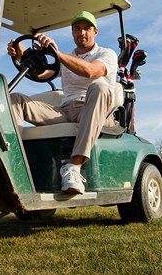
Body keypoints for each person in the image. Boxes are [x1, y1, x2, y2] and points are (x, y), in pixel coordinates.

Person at [8, 11, 118, 194]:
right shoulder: (67, 60)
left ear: (95, 32)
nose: (82, 32)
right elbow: (43, 74)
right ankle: (14, 164)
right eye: (77, 28)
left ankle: (73, 167)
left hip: (96, 109)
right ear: (72, 32)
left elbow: (91, 71)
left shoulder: (107, 54)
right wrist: (22, 56)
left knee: (99, 86)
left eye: (86, 28)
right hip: (67, 111)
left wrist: (56, 53)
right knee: (16, 100)